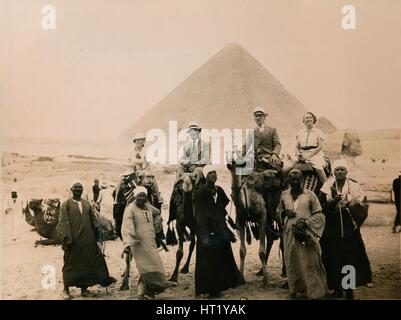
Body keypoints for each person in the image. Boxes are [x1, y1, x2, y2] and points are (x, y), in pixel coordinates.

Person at [319, 159, 373, 299]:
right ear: (334, 172)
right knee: (333, 257)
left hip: (349, 226)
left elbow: (363, 204)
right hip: (332, 227)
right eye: (337, 170)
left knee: (350, 257)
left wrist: (349, 206)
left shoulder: (354, 186)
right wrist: (332, 202)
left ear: (346, 172)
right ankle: (337, 287)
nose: (340, 172)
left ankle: (349, 288)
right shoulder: (327, 186)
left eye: (342, 169)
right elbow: (321, 207)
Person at [56, 180, 116, 300]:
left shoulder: (87, 204)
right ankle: (65, 290)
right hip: (73, 241)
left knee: (87, 264)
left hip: (88, 239)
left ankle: (84, 290)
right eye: (76, 187)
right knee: (70, 264)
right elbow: (63, 222)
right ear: (71, 189)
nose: (78, 189)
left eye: (80, 187)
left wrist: (98, 229)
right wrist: (67, 238)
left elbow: (93, 218)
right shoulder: (66, 204)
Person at [277, 169, 328, 299]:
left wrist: (306, 222)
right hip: (289, 234)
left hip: (305, 233)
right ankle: (294, 291)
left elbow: (319, 214)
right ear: (289, 180)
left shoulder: (310, 195)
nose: (295, 182)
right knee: (291, 261)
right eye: (292, 179)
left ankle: (314, 293)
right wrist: (284, 213)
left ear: (301, 180)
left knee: (310, 261)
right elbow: (278, 212)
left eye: (297, 179)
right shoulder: (284, 195)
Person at [194, 166, 245, 298]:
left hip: (220, 228)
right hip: (207, 231)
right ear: (205, 176)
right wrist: (205, 235)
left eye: (214, 172)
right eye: (210, 173)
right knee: (209, 260)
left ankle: (223, 285)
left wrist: (231, 224)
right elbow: (199, 215)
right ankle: (211, 290)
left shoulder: (220, 190)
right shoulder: (200, 192)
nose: (213, 175)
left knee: (223, 256)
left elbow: (222, 209)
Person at [121, 186, 176, 300]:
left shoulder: (148, 207)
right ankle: (143, 294)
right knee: (144, 268)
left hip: (150, 242)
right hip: (138, 243)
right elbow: (127, 227)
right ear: (135, 197)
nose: (141, 198)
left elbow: (158, 213)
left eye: (143, 196)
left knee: (155, 265)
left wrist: (156, 226)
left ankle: (148, 293)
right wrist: (128, 243)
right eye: (139, 196)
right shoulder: (130, 209)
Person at [283, 112, 327, 185]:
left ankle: (327, 189)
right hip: (302, 154)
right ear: (303, 121)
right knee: (285, 169)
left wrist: (310, 155)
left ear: (314, 120)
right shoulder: (300, 133)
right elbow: (297, 147)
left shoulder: (318, 132)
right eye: (306, 118)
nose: (308, 119)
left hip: (315, 155)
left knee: (319, 169)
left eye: (310, 117)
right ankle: (283, 186)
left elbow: (320, 147)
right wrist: (298, 154)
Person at [243, 106, 282, 172]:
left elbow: (277, 145)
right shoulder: (251, 132)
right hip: (254, 158)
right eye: (256, 116)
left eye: (260, 116)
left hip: (269, 157)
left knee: (278, 173)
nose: (258, 118)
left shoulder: (272, 130)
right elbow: (246, 146)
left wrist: (274, 154)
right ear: (254, 118)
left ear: (264, 117)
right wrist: (242, 156)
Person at [130, 132, 162, 203]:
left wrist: (145, 170)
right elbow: (130, 164)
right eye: (138, 140)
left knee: (153, 180)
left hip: (143, 171)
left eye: (141, 140)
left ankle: (158, 197)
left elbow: (148, 165)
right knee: (122, 181)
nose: (139, 142)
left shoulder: (145, 152)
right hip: (133, 171)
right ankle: (118, 200)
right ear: (135, 141)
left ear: (143, 142)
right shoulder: (131, 152)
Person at [177, 121, 209, 188]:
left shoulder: (205, 144)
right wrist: (187, 163)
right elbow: (181, 159)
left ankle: (196, 189)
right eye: (191, 131)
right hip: (186, 167)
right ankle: (177, 191)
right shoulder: (185, 145)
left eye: (195, 130)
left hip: (198, 167)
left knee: (198, 171)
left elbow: (206, 158)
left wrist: (196, 164)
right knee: (179, 170)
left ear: (198, 132)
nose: (193, 133)